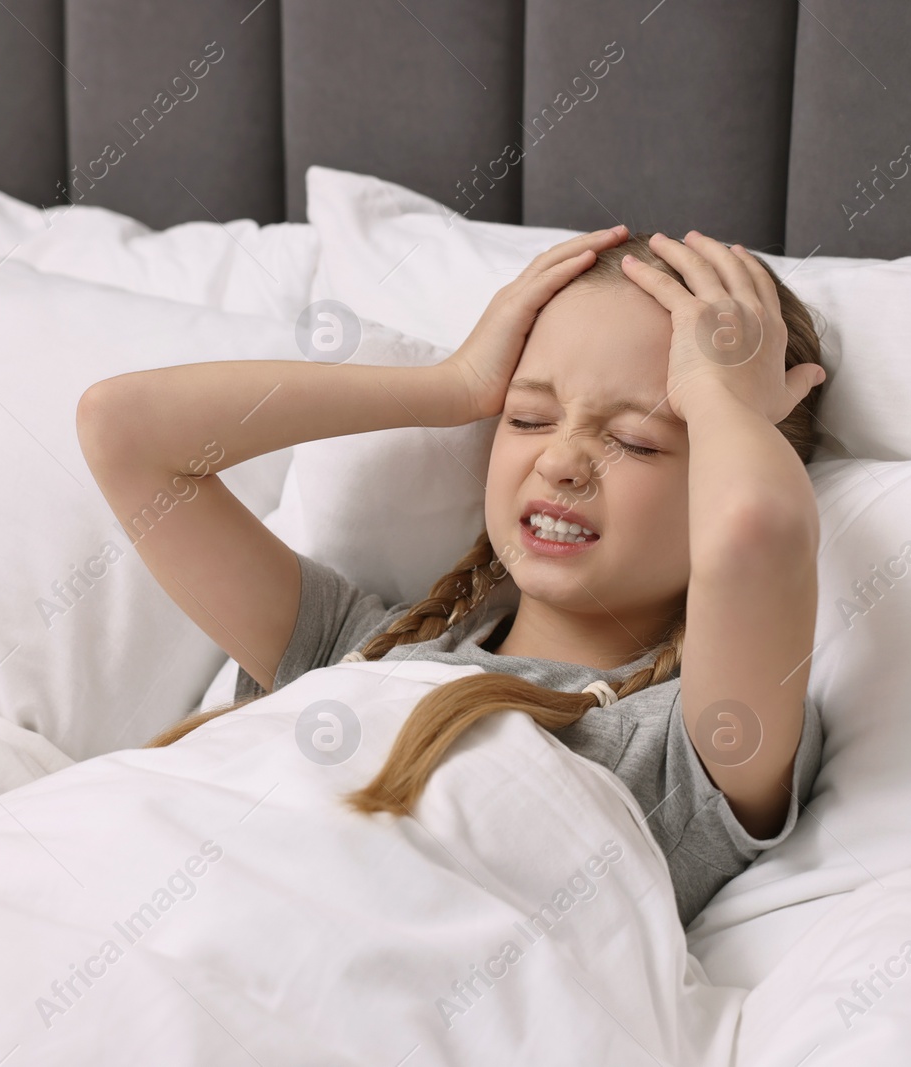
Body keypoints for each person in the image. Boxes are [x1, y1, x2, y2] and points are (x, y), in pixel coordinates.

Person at [76, 225, 828, 927]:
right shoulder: (360, 646)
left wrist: (723, 398)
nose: (561, 461)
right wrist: (455, 384)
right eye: (528, 418)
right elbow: (125, 430)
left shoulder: (686, 751)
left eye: (636, 440)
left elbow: (756, 532)